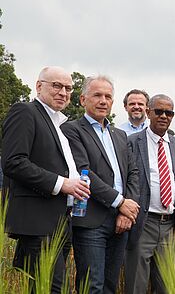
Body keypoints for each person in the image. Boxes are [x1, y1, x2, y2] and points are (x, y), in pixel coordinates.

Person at [1, 66, 90, 293]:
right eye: (57, 86)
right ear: (39, 86)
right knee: (49, 288)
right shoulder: (25, 111)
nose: (63, 92)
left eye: (68, 88)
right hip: (38, 221)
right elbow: (13, 162)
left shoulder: (61, 124)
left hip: (62, 220)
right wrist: (62, 183)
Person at [61, 75, 140, 293]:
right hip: (91, 221)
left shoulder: (120, 135)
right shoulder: (72, 130)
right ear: (83, 99)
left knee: (110, 285)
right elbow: (84, 172)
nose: (103, 100)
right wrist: (120, 202)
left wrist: (127, 210)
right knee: (91, 285)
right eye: (97, 95)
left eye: (108, 96)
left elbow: (133, 173)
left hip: (121, 220)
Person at [125, 94, 175, 294]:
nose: (164, 116)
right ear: (148, 112)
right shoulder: (131, 142)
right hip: (143, 222)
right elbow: (127, 180)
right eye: (159, 111)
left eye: (169, 112)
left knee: (166, 285)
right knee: (137, 283)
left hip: (170, 225)